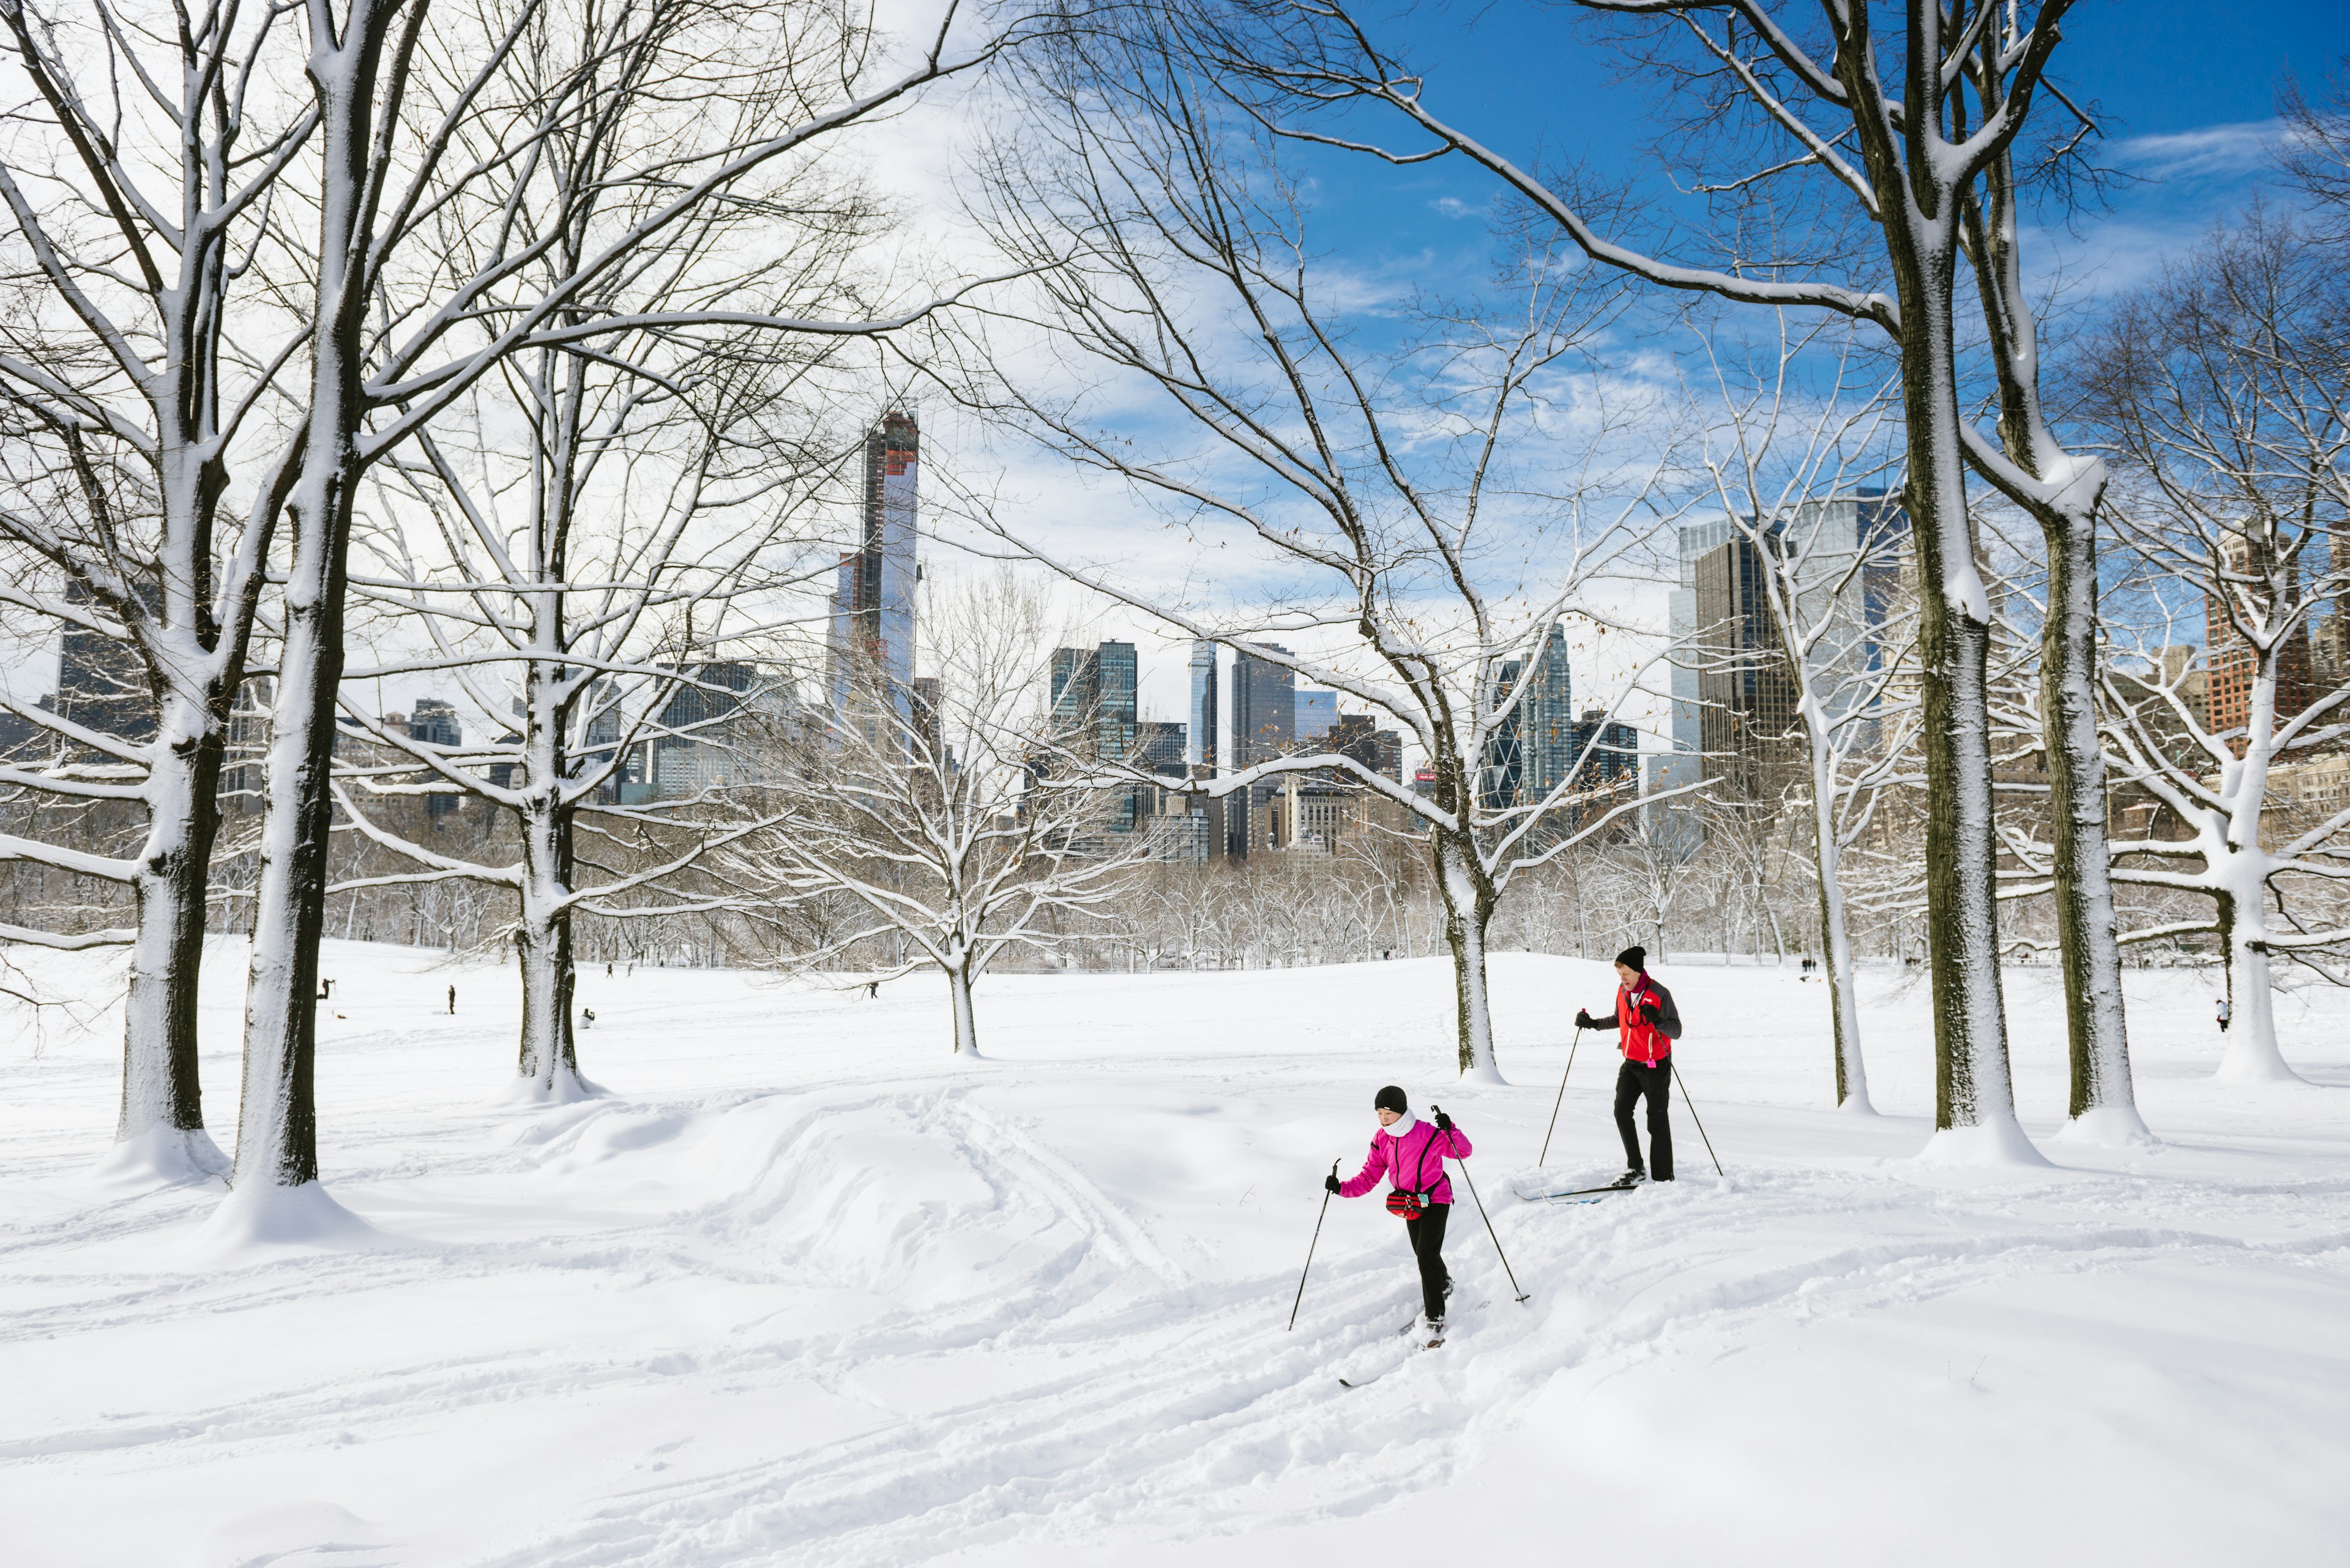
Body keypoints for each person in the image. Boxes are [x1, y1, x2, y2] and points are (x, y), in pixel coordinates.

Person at [1326, 1086, 1471, 1345]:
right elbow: (1369, 1176)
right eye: (1379, 1113)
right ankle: (1445, 1283)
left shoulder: (1425, 1132)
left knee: (1426, 1254)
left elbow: (1463, 1151)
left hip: (1436, 1198)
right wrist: (1342, 1188)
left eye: (1388, 1113)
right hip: (1409, 1203)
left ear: (1401, 1111)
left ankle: (1436, 1318)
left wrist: (1450, 1129)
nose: (1383, 1118)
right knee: (1423, 1251)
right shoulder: (1382, 1138)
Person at [1576, 946, 1682, 1184]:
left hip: (1656, 1066)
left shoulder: (1660, 994)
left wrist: (1658, 1019)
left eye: (1625, 974)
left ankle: (1664, 1177)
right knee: (1621, 1111)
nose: (1622, 979)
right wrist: (1593, 1023)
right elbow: (1618, 1019)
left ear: (1637, 971)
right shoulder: (1622, 992)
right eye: (1619, 975)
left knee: (1656, 1120)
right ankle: (1635, 1168)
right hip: (1631, 1063)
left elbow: (1676, 1031)